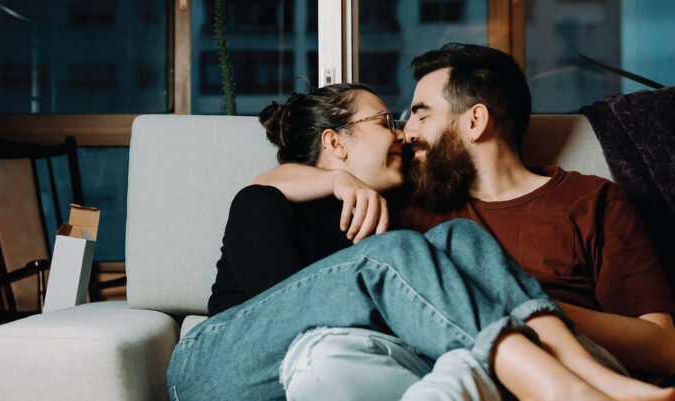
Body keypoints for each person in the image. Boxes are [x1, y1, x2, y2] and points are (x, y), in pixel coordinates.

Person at [165, 83, 675, 401]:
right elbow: (273, 314)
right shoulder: (267, 201)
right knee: (398, 253)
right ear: (335, 142)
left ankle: (584, 373)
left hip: (328, 362)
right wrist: (334, 182)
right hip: (216, 367)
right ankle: (548, 385)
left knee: (458, 237)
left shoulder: (393, 211)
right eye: (385, 121)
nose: (402, 135)